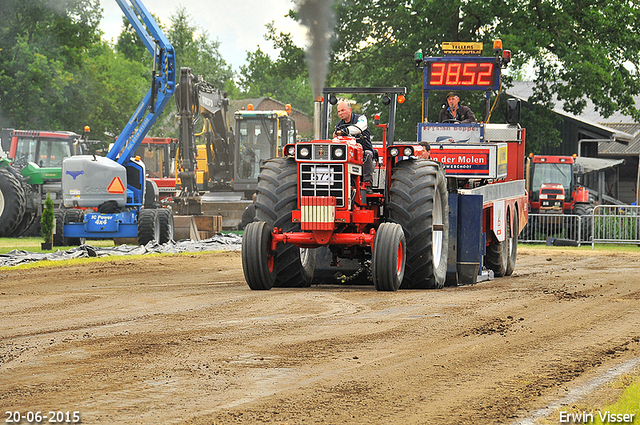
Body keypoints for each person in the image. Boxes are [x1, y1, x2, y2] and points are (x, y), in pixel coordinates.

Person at [333, 101, 374, 187]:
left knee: (368, 155)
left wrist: (345, 131)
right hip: (347, 154)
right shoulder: (338, 125)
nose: (340, 113)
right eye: (339, 111)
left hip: (362, 151)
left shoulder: (361, 119)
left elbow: (360, 127)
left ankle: (367, 184)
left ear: (350, 110)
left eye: (343, 110)